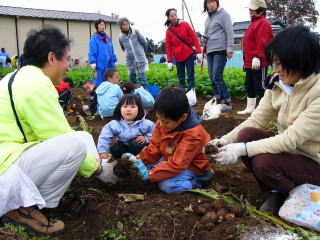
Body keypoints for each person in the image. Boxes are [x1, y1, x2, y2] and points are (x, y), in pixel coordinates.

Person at [0, 27, 118, 236]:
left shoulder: (16, 78)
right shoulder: (37, 85)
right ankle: (24, 208)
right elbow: (60, 137)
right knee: (75, 143)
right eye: (67, 59)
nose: (68, 67)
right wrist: (98, 170)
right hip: (6, 174)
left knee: (81, 136)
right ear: (52, 57)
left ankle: (28, 203)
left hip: (9, 163)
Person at [204, 26, 320, 216]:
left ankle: (296, 196)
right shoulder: (279, 84)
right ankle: (274, 192)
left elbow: (290, 139)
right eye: (274, 62)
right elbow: (257, 120)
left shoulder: (317, 92)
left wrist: (241, 149)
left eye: (281, 64)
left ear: (302, 62)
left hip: (313, 162)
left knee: (264, 163)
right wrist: (225, 140)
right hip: (291, 154)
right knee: (246, 134)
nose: (276, 69)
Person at [122, 87, 213, 194]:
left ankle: (199, 181)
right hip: (171, 157)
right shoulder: (164, 121)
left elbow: (177, 165)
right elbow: (154, 147)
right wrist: (136, 159)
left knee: (166, 185)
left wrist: (149, 174)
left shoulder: (193, 135)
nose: (160, 124)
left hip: (193, 166)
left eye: (165, 121)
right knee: (141, 167)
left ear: (183, 118)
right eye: (159, 119)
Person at [237, 0, 273, 115]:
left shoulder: (263, 23)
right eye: (250, 9)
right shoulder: (253, 23)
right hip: (249, 61)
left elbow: (263, 42)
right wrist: (246, 60)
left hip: (259, 61)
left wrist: (258, 57)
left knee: (260, 85)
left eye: (253, 9)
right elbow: (249, 44)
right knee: (249, 84)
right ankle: (250, 107)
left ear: (260, 10)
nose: (250, 11)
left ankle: (265, 110)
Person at [98, 94, 155, 159]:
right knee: (115, 149)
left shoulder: (145, 123)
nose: (128, 109)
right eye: (125, 106)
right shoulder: (115, 124)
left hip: (138, 148)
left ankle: (138, 160)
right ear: (119, 109)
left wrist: (146, 138)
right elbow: (104, 136)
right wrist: (102, 151)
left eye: (133, 107)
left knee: (136, 144)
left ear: (139, 109)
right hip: (124, 146)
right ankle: (124, 162)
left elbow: (155, 132)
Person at [202, 0, 234, 112]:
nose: (211, 4)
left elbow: (230, 32)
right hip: (210, 49)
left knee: (217, 75)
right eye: (208, 3)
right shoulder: (208, 18)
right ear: (206, 5)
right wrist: (204, 37)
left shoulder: (224, 15)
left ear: (217, 3)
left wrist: (230, 48)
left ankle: (227, 101)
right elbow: (207, 32)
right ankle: (217, 98)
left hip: (220, 49)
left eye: (213, 2)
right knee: (212, 76)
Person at [165, 9, 202, 92]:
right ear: (168, 18)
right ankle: (181, 94)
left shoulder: (185, 24)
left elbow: (194, 38)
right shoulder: (169, 31)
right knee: (180, 77)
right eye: (172, 16)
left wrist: (199, 51)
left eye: (175, 14)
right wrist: (169, 61)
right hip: (178, 57)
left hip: (188, 54)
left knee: (190, 75)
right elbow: (168, 46)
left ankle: (191, 93)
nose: (174, 17)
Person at [118, 17, 149, 89]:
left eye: (126, 24)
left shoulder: (135, 32)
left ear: (129, 24)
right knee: (132, 78)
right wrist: (129, 53)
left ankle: (145, 94)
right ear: (121, 27)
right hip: (130, 60)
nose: (125, 26)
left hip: (140, 58)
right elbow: (123, 48)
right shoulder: (121, 37)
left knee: (142, 78)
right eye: (123, 25)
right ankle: (133, 94)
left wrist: (142, 52)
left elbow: (144, 42)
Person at [88, 19, 117, 87]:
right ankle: (98, 96)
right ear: (97, 27)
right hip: (100, 65)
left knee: (110, 81)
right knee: (100, 81)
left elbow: (112, 51)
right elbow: (92, 51)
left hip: (110, 65)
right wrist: (93, 62)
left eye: (104, 25)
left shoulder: (108, 39)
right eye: (100, 25)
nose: (102, 26)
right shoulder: (94, 38)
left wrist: (114, 60)